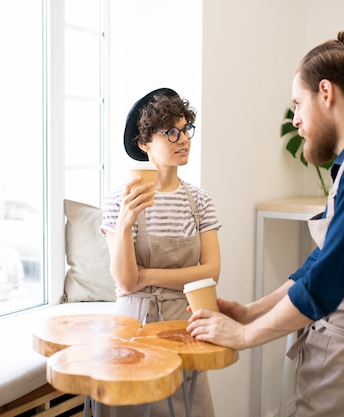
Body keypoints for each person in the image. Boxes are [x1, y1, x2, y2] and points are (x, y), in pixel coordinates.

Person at [187, 31, 344, 417]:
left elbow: (329, 278)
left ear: (326, 93)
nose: (296, 120)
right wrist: (252, 311)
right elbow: (321, 260)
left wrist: (245, 335)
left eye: (299, 103)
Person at [100, 87, 221, 416]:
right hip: (132, 330)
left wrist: (149, 276)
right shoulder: (119, 201)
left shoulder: (200, 201)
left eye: (185, 129)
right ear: (144, 144)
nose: (183, 139)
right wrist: (125, 223)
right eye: (170, 132)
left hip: (183, 326)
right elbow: (126, 282)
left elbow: (211, 272)